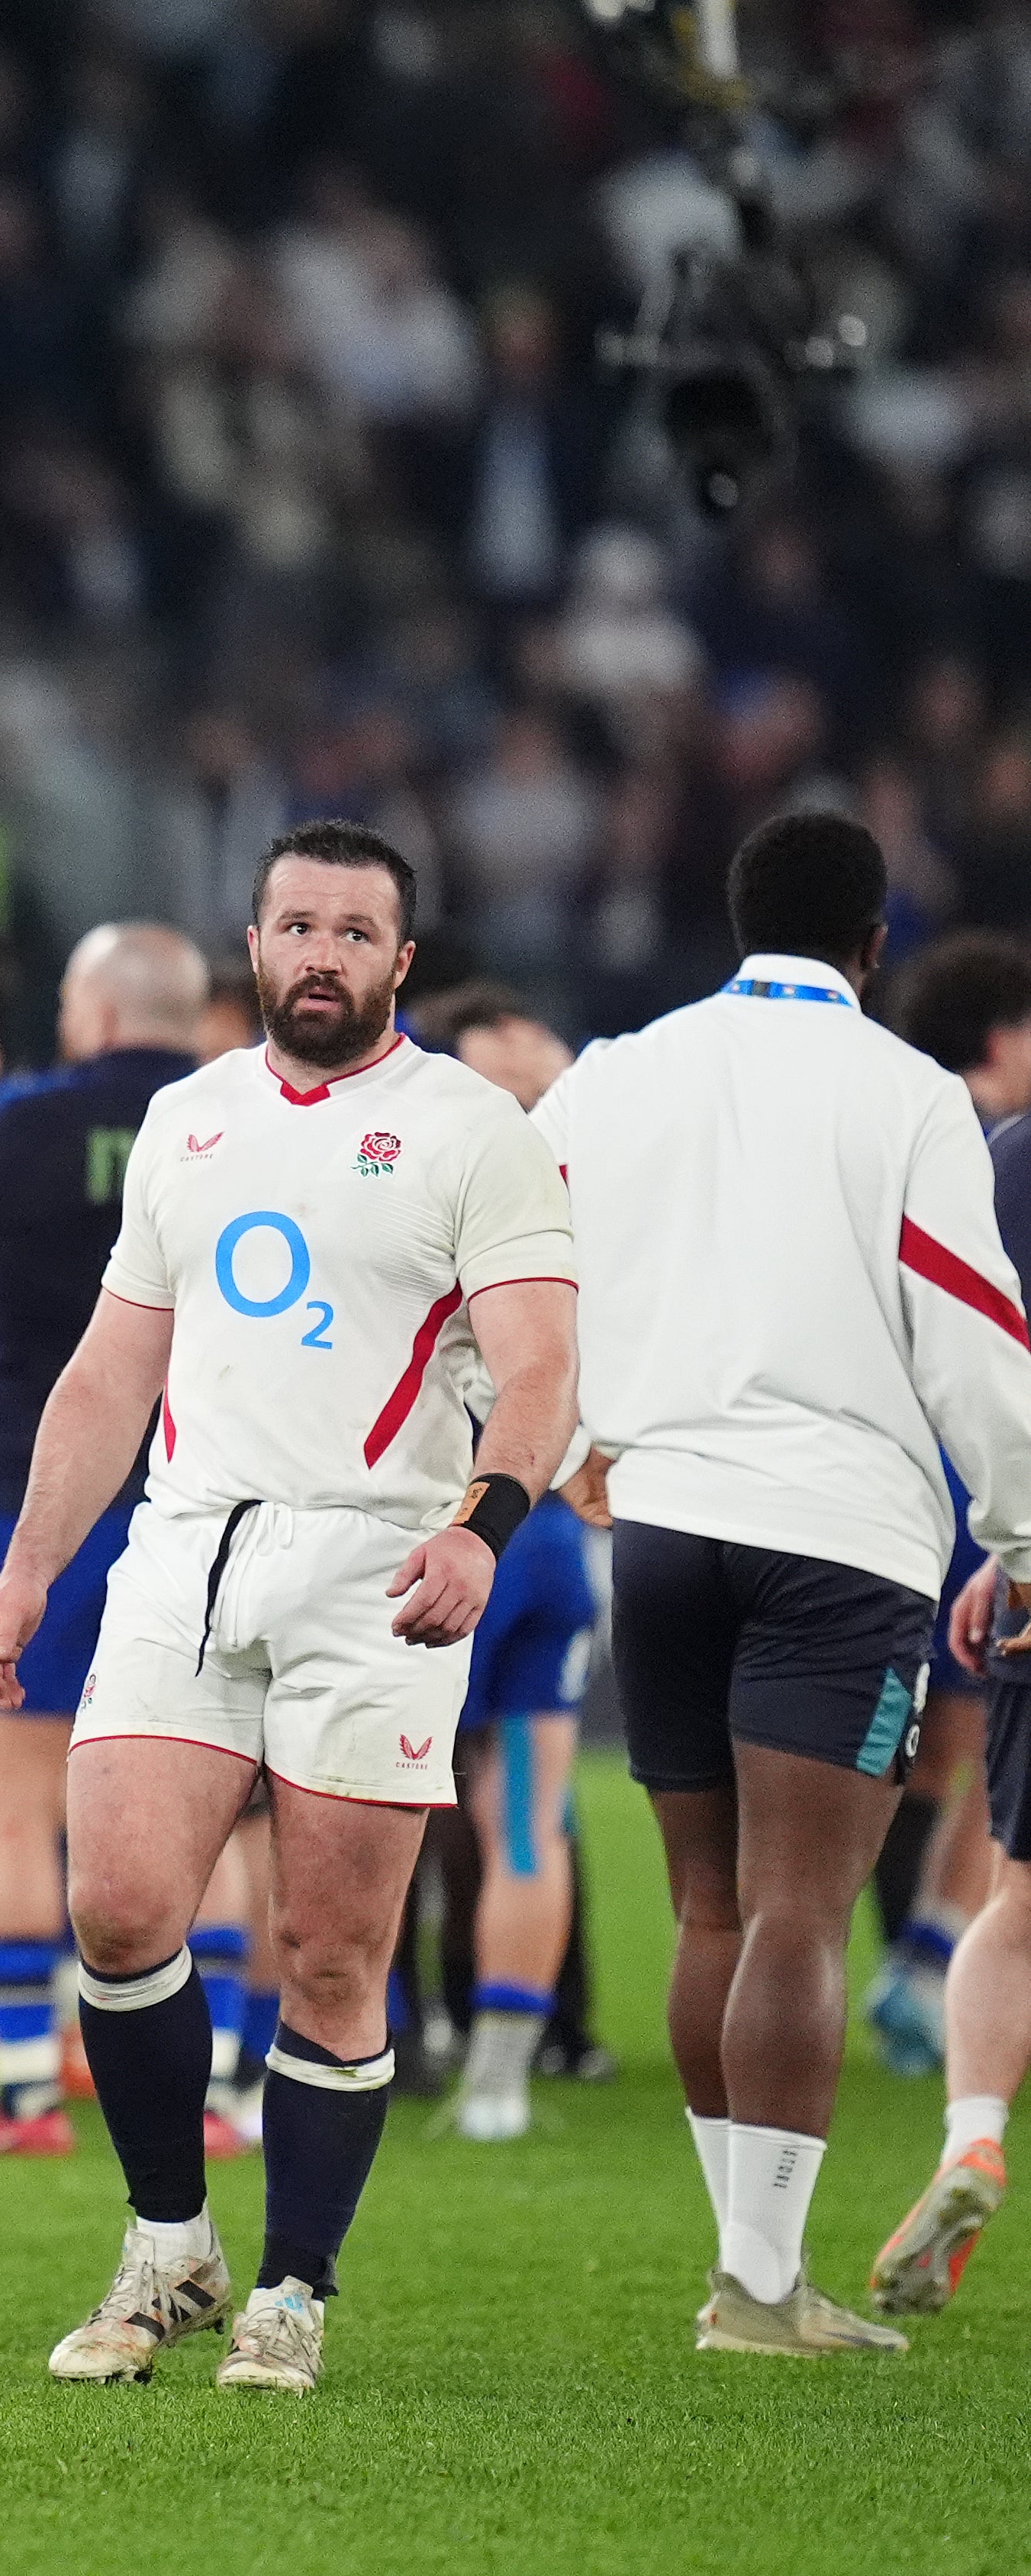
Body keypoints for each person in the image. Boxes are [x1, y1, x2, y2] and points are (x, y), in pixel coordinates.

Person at [0, 818, 578, 2396]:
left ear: (401, 961)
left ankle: (294, 2287)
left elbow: (540, 1374)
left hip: (380, 1560)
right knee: (115, 1902)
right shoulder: (187, 1118)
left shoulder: (472, 1132)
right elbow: (110, 1368)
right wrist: (33, 1561)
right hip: (182, 1547)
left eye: (353, 931)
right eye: (294, 925)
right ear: (251, 947)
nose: (321, 953)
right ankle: (167, 2245)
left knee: (326, 1949)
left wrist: (480, 1531)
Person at [536, 809, 1031, 2359]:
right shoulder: (906, 1092)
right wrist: (1022, 1534)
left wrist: (564, 1453)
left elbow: (515, 1269)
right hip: (839, 1532)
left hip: (662, 1521)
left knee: (706, 1905)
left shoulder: (612, 1073)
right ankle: (758, 2285)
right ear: (875, 944)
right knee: (802, 1913)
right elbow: (968, 1329)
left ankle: (743, 2264)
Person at [0, 921, 208, 2158]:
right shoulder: (232, 1120)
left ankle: (28, 2091)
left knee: (4, 1803)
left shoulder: (25, 1121)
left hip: (34, 1497)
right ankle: (226, 2083)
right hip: (198, 1502)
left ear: (90, 1012)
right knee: (210, 1808)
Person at [409, 983, 603, 2145]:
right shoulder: (592, 1195)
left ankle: (375, 2044)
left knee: (367, 1802)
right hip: (550, 1531)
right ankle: (498, 2081)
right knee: (528, 1816)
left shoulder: (421, 1171)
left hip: (440, 1528)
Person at [861, 931, 1031, 2077]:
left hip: (885, 1478)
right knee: (977, 1738)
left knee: (908, 1743)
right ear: (1000, 1037)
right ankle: (929, 1962)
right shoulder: (991, 1148)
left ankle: (905, 1952)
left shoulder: (892, 1128)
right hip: (978, 1474)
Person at [876, 1076, 1031, 2315]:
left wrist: (1002, 1546)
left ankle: (971, 2135)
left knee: (1017, 1898)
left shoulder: (1012, 1158)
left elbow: (981, 1360)